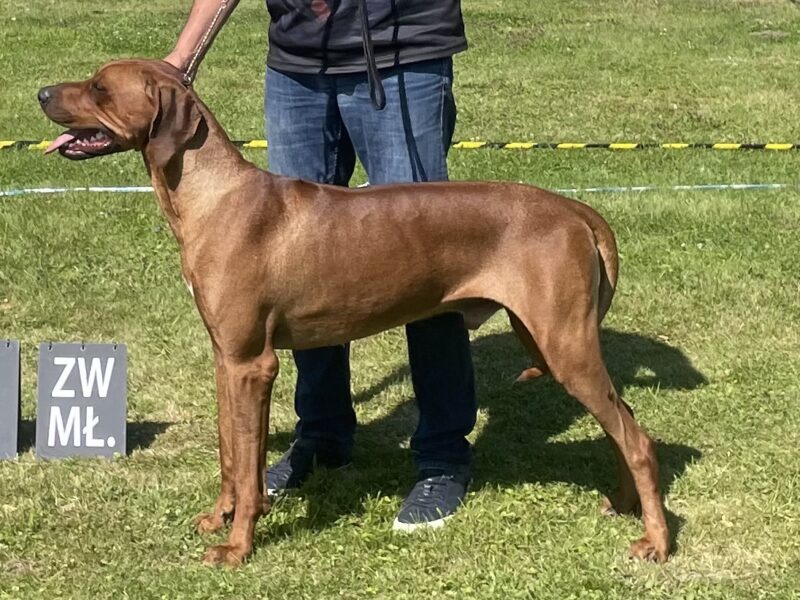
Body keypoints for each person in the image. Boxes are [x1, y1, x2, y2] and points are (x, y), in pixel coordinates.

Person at [165, 0, 477, 530]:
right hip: (298, 66)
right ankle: (324, 435)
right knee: (296, 266)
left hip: (403, 55)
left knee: (428, 261)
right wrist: (180, 60)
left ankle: (442, 454)